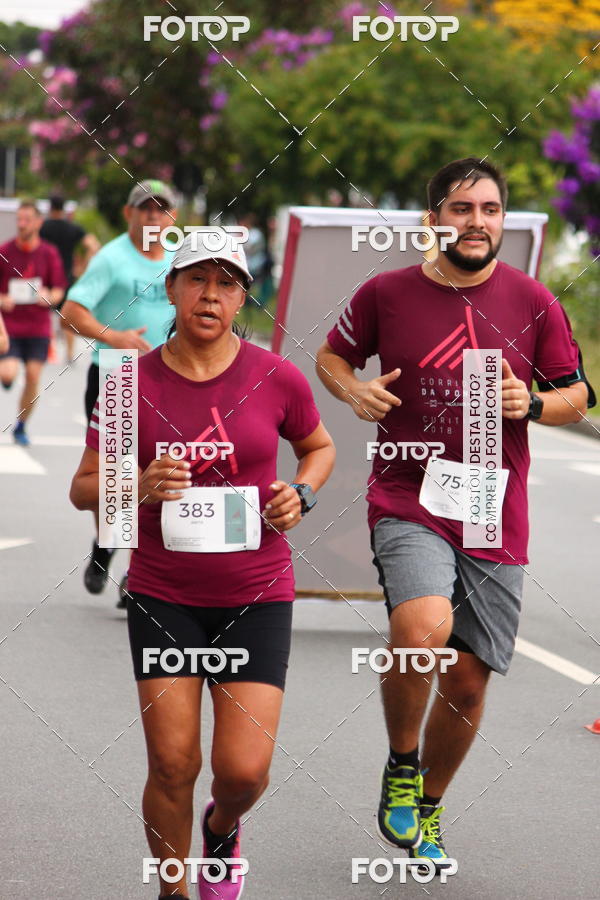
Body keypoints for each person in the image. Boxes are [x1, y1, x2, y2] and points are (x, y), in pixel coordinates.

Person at [316, 157, 594, 872]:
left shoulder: (533, 299)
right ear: (433, 217)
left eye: (490, 210)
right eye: (461, 209)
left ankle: (431, 803)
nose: (476, 223)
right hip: (409, 495)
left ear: (503, 220)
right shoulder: (387, 292)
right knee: (421, 628)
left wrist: (530, 404)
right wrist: (353, 393)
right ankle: (402, 763)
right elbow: (331, 357)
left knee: (469, 680)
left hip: (495, 507)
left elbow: (579, 395)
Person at [70, 230, 335, 900]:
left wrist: (298, 495)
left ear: (244, 295)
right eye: (196, 279)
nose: (209, 294)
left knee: (242, 772)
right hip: (164, 594)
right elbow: (82, 488)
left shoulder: (277, 375)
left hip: (257, 592)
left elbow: (319, 447)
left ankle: (222, 827)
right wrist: (137, 486)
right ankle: (173, 890)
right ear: (172, 289)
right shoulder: (131, 381)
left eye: (225, 282)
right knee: (171, 762)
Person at [62, 179, 178, 599]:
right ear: (129, 214)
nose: (152, 216)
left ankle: (137, 572)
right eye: (144, 208)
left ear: (173, 218)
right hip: (114, 377)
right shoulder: (111, 259)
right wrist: (115, 336)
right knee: (113, 476)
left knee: (159, 469)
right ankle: (105, 544)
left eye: (160, 209)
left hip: (169, 381)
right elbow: (71, 313)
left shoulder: (179, 260)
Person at [0, 200, 67, 446]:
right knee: (8, 373)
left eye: (27, 219)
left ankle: (21, 425)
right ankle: (6, 378)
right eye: (19, 219)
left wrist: (49, 297)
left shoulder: (49, 253)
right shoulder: (5, 252)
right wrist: (3, 298)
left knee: (32, 376)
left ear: (38, 222)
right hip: (9, 328)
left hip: (38, 328)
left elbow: (59, 289)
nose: (21, 224)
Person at [40, 194, 99, 364]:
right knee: (66, 315)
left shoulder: (43, 227)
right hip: (67, 276)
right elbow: (93, 245)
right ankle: (70, 353)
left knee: (44, 313)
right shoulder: (73, 228)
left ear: (50, 208)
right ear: (64, 208)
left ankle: (44, 350)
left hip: (46, 276)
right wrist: (84, 267)